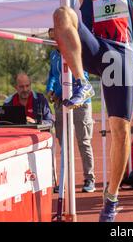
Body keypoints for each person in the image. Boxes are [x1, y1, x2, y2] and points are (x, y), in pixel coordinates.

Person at [0, 0, 133, 222]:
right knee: (62, 13)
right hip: (94, 48)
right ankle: (83, 82)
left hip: (120, 56)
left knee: (120, 131)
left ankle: (111, 199)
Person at [46, 28, 95, 193]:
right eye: (52, 39)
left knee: (83, 141)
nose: (54, 42)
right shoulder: (54, 55)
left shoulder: (76, 50)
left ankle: (89, 179)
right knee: (64, 143)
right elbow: (53, 75)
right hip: (61, 102)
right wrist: (51, 89)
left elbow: (83, 76)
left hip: (80, 102)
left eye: (55, 37)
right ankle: (65, 181)